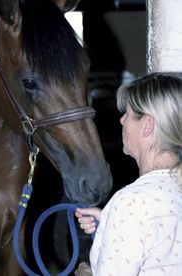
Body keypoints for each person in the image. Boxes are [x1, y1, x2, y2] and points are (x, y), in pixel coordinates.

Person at [75, 72, 182, 275]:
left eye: (129, 114)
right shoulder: (172, 190)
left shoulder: (132, 203)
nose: (122, 120)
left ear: (147, 126)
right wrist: (110, 223)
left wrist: (86, 273)